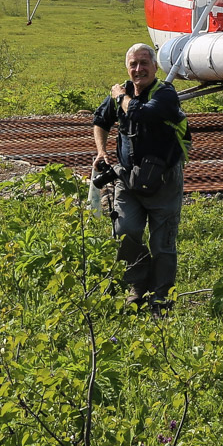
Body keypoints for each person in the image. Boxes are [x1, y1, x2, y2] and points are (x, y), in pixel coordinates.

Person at [91, 43, 190, 310]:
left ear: (155, 67)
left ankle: (161, 298)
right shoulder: (120, 94)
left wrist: (120, 96)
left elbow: (141, 113)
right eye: (133, 64)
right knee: (124, 232)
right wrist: (101, 151)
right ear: (127, 67)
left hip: (164, 183)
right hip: (127, 179)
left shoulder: (166, 94)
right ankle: (139, 282)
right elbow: (100, 121)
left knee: (163, 243)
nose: (139, 69)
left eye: (144, 63)